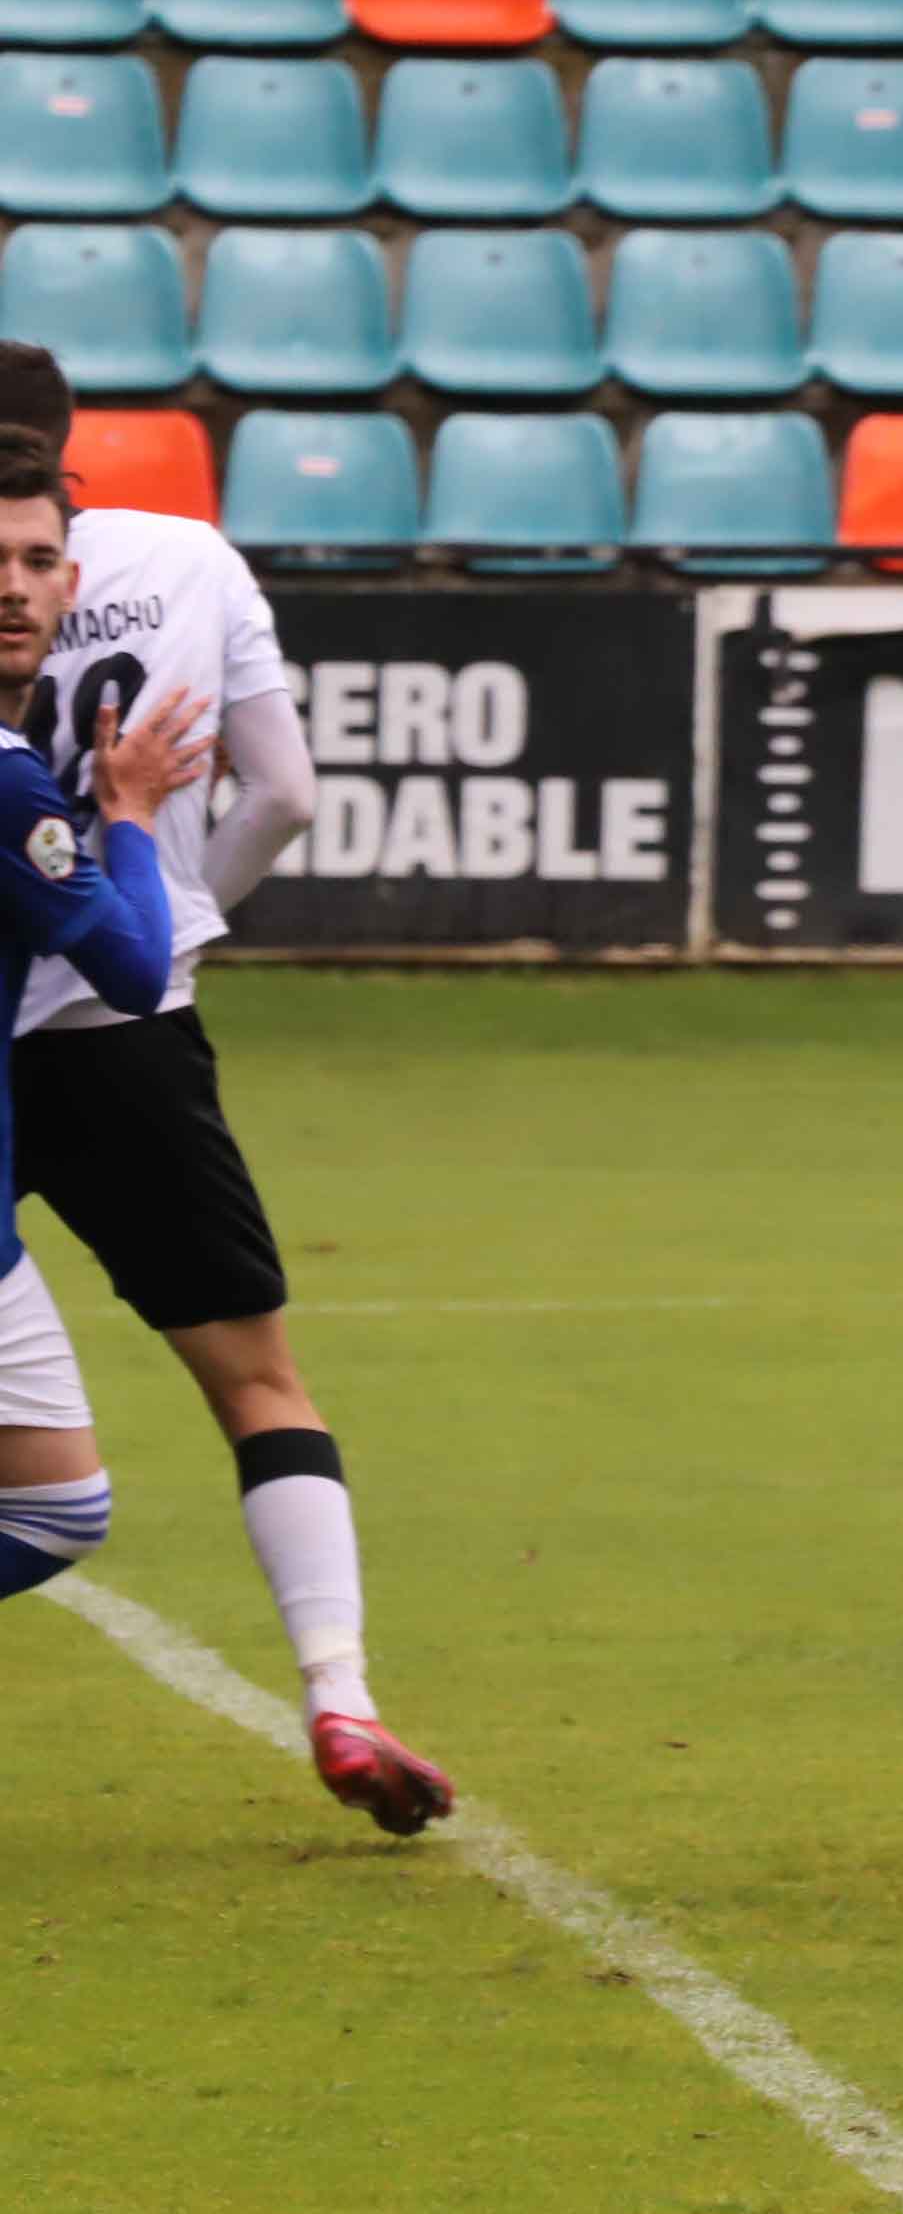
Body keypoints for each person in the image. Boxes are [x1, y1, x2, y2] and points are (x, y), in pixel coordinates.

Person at [0, 347, 451, 1834]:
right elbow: (288, 795)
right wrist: (177, 924)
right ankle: (341, 1694)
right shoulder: (181, 556)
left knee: (55, 1481)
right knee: (258, 1385)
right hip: (121, 1032)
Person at [0, 428, 207, 1632]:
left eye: (36, 557)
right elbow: (132, 968)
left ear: (72, 583)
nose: (11, 584)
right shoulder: (14, 783)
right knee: (54, 1506)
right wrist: (126, 815)